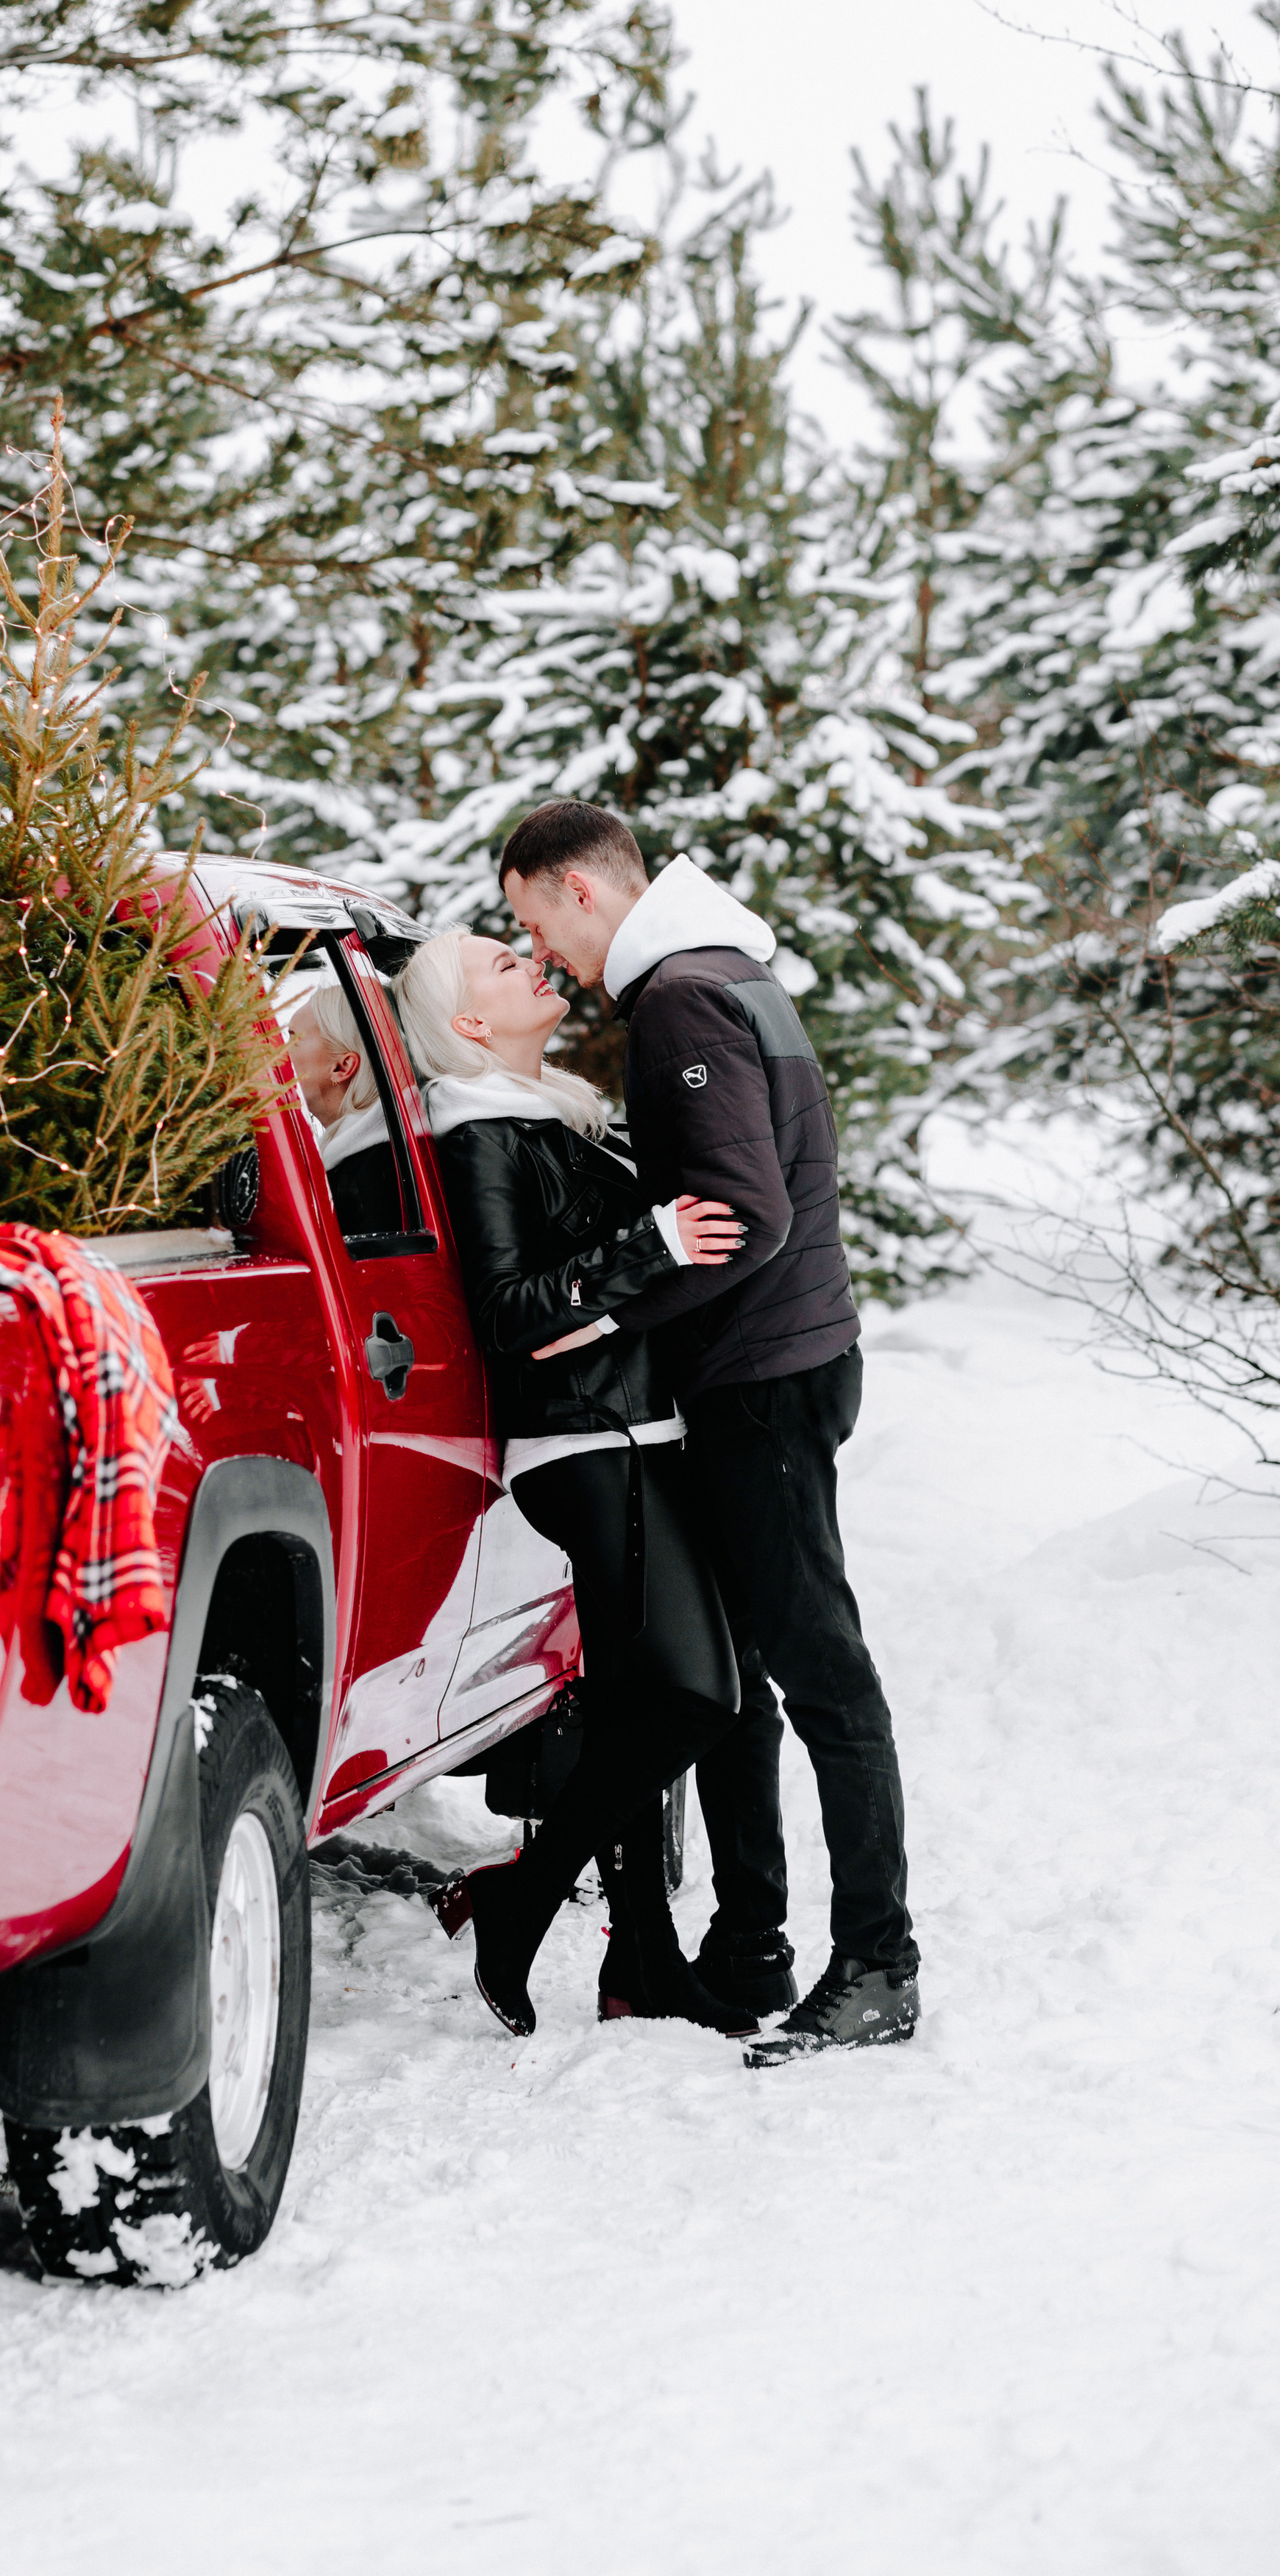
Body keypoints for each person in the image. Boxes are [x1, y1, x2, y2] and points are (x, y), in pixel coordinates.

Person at [497, 800, 920, 2065]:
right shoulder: (735, 971)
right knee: (744, 1682)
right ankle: (751, 1952)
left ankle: (881, 1965)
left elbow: (747, 1209)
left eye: (535, 924)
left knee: (820, 1672)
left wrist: (607, 1312)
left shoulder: (681, 996)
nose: (549, 960)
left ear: (578, 890)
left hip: (763, 1380)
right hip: (780, 1367)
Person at [393, 927, 758, 2040]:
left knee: (635, 1711)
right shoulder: (479, 1132)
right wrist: (648, 1245)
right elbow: (508, 1312)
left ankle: (641, 1965)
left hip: (629, 1434)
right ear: (467, 1025)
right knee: (699, 1697)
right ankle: (522, 1894)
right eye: (504, 967)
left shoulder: (549, 1112)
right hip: (588, 1448)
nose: (533, 966)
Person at [285, 984, 402, 1238]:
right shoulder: (383, 1156)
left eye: (293, 1039)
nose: (278, 1054)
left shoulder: (368, 1179)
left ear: (342, 1066)